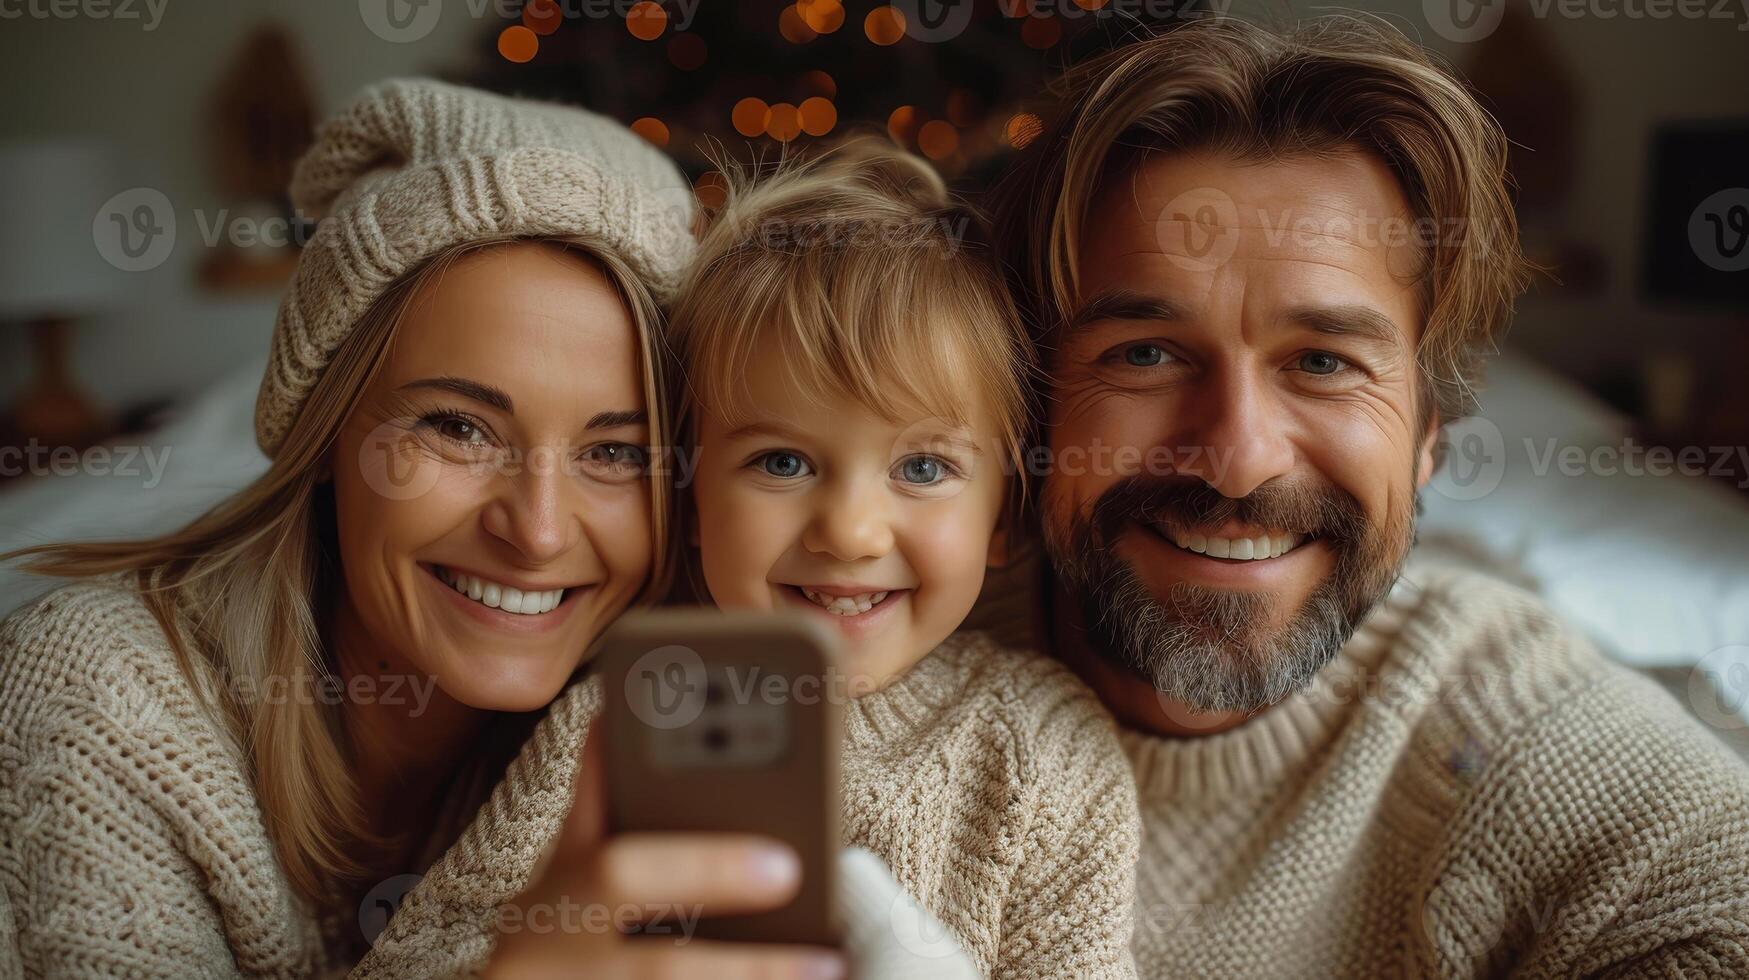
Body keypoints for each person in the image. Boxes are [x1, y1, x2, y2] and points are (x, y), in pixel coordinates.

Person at [0, 78, 860, 978]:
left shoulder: (665, 719)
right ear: (324, 432)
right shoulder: (96, 697)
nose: (535, 532)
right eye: (457, 428)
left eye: (616, 453)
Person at [984, 15, 1749, 977]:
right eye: (1143, 354)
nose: (1236, 461)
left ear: (1429, 435)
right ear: (1031, 402)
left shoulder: (1506, 716)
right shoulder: (871, 660)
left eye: (1321, 362)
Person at [666, 138, 1138, 978]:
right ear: (694, 500)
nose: (850, 533)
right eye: (781, 462)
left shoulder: (1045, 752)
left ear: (1004, 518)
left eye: (923, 469)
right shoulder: (629, 716)